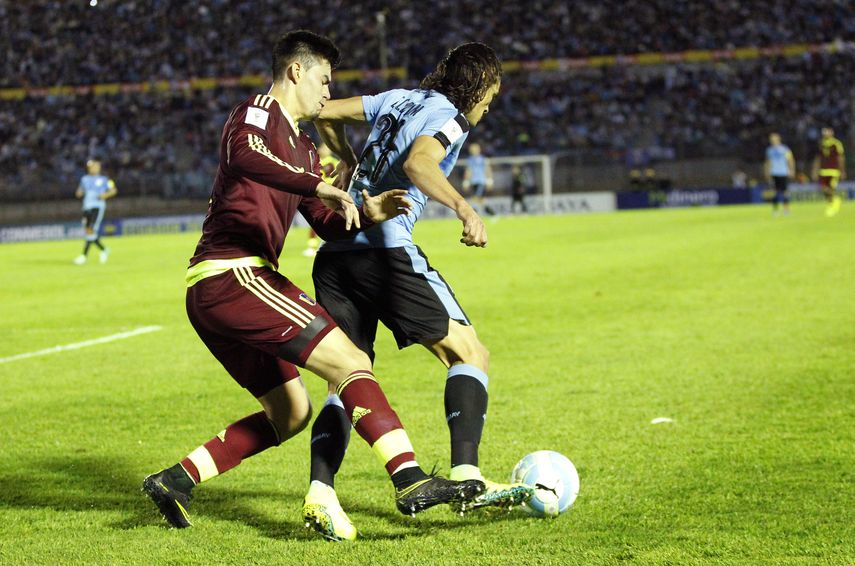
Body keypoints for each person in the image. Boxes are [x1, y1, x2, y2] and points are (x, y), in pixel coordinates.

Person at [142, 31, 483, 538]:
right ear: (296, 72)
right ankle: (409, 478)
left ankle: (175, 479)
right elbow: (244, 156)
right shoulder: (255, 113)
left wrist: (367, 211)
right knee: (351, 362)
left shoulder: (303, 149)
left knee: (291, 412)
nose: (328, 94)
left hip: (230, 288)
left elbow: (324, 223)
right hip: (233, 273)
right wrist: (322, 182)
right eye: (324, 81)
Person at [305, 42, 533, 541]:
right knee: (470, 352)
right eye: (490, 96)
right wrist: (465, 209)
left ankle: (321, 492)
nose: (488, 107)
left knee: (345, 378)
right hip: (384, 252)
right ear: (477, 87)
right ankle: (467, 478)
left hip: (336, 254)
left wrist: (346, 161)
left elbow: (321, 111)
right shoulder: (452, 116)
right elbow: (419, 165)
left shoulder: (397, 98)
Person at [73, 159, 116, 265]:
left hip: (97, 206)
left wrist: (104, 195)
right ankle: (104, 249)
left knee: (90, 230)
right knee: (89, 231)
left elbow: (113, 190)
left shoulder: (104, 179)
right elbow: (80, 191)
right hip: (86, 207)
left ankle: (84, 256)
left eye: (95, 166)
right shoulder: (84, 179)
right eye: (92, 167)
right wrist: (79, 193)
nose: (94, 168)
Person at [303, 142, 339, 257]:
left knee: (321, 219)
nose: (323, 150)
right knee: (323, 219)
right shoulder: (325, 161)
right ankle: (315, 246)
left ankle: (315, 246)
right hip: (324, 193)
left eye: (325, 148)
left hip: (326, 193)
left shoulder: (323, 162)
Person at [811, 127, 845, 217]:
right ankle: (835, 201)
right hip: (823, 171)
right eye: (824, 132)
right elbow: (818, 158)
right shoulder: (821, 143)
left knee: (831, 189)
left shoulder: (836, 143)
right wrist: (815, 170)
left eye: (827, 131)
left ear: (831, 132)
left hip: (833, 171)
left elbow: (840, 158)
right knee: (823, 189)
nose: (825, 133)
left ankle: (832, 206)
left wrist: (842, 170)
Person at [764, 133, 795, 215]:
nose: (772, 141)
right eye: (771, 139)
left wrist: (791, 170)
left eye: (774, 139)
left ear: (778, 139)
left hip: (783, 172)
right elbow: (768, 162)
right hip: (774, 173)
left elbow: (790, 159)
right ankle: (775, 210)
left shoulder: (785, 149)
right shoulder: (769, 150)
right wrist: (767, 172)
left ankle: (786, 209)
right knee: (775, 192)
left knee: (785, 192)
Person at [462, 143, 495, 215]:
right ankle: (492, 213)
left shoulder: (483, 159)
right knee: (481, 199)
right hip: (473, 182)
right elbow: (468, 171)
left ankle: (472, 213)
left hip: (481, 181)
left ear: (478, 150)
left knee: (476, 198)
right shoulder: (470, 160)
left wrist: (490, 180)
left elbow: (488, 169)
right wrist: (466, 181)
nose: (472, 151)